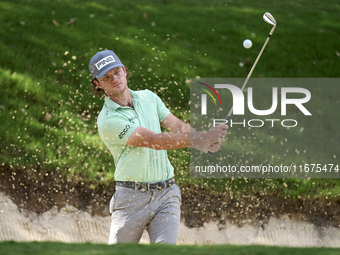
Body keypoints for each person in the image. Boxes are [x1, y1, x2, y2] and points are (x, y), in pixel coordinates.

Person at [89, 50, 228, 245]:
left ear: (125, 71)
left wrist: (203, 143)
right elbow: (155, 141)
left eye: (117, 72)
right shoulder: (108, 120)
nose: (114, 79)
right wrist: (203, 136)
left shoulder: (148, 98)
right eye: (106, 77)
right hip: (131, 199)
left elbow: (178, 127)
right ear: (98, 84)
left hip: (166, 194)